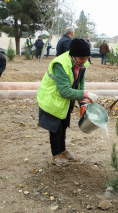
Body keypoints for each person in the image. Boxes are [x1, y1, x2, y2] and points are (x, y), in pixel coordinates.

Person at [37, 38, 98, 166]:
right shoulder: (60, 64)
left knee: (64, 125)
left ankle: (62, 151)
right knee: (56, 128)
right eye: (81, 58)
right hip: (52, 98)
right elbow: (64, 91)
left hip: (65, 101)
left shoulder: (82, 64)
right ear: (73, 55)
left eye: (86, 58)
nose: (84, 61)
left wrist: (83, 103)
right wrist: (86, 94)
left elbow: (80, 83)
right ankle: (56, 155)